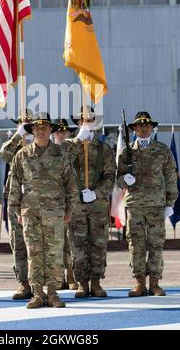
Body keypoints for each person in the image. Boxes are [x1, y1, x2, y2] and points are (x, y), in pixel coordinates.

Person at [8, 113, 78, 309]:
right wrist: (16, 211)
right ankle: (37, 293)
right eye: (37, 128)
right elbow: (14, 185)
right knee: (34, 253)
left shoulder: (61, 154)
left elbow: (71, 184)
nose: (41, 130)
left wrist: (70, 209)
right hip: (30, 212)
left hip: (55, 212)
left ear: (51, 130)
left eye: (45, 127)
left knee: (54, 252)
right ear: (32, 130)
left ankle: (53, 293)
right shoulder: (22, 155)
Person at [116, 111, 178, 297]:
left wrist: (170, 202)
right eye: (139, 125)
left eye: (147, 125)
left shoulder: (162, 150)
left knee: (156, 244)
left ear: (152, 128)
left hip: (156, 205)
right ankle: (139, 283)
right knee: (136, 244)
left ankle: (155, 283)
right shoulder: (126, 152)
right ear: (134, 129)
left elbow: (171, 177)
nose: (143, 128)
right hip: (135, 205)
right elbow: (117, 180)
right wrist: (124, 179)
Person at [64, 106, 116, 299]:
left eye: (90, 120)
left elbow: (111, 175)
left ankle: (96, 282)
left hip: (97, 204)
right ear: (78, 123)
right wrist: (79, 141)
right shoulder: (68, 146)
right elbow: (62, 164)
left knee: (98, 244)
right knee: (77, 244)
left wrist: (97, 193)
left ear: (95, 122)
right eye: (82, 120)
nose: (86, 123)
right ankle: (81, 283)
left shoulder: (104, 148)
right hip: (76, 204)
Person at [0, 111, 34, 300]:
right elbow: (4, 153)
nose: (25, 125)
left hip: (36, 199)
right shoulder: (14, 143)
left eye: (28, 122)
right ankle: (24, 284)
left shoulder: (40, 143)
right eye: (22, 122)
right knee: (18, 243)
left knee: (37, 244)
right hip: (15, 199)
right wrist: (18, 135)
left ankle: (38, 283)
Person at [52, 118, 78, 291]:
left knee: (70, 241)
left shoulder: (72, 148)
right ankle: (58, 276)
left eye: (64, 131)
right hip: (51, 202)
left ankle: (71, 275)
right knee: (55, 241)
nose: (61, 134)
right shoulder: (50, 150)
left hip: (68, 200)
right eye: (58, 131)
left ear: (69, 133)